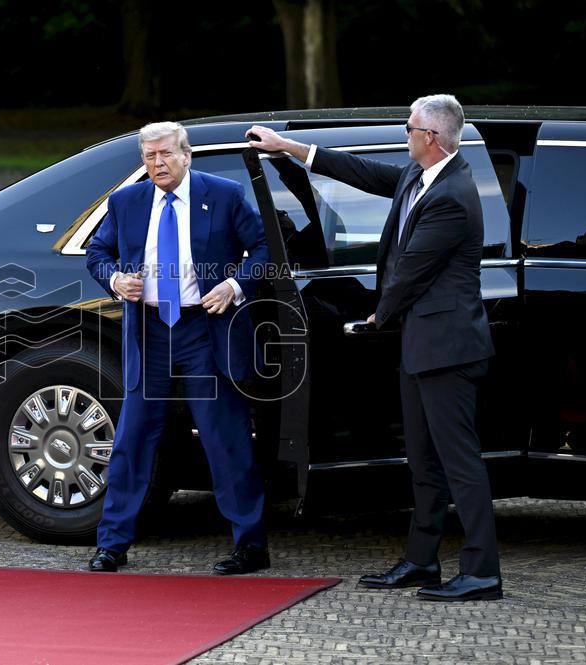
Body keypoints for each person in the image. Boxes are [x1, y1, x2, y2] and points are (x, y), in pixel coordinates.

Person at [248, 94, 501, 601]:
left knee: (459, 463)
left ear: (431, 137)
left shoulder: (453, 194)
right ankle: (421, 562)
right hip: (421, 347)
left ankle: (482, 572)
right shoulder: (419, 176)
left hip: (448, 350)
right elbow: (360, 172)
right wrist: (288, 148)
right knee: (423, 462)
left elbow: (412, 270)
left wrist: (375, 315)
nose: (405, 134)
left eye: (409, 128)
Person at [86, 121, 271, 574]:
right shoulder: (127, 201)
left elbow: (264, 248)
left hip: (203, 329)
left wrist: (234, 286)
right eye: (149, 157)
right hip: (149, 332)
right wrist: (114, 279)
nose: (157, 164)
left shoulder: (223, 195)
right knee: (131, 439)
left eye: (165, 154)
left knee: (223, 437)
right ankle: (112, 544)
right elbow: (97, 252)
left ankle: (250, 545)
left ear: (186, 155)